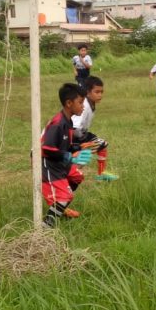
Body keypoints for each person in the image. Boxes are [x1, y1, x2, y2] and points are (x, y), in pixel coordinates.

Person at [40, 83, 92, 227]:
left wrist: (78, 147)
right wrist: (70, 157)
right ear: (69, 103)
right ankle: (46, 226)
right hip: (48, 163)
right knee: (66, 195)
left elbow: (64, 145)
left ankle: (60, 206)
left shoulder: (68, 120)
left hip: (59, 161)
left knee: (77, 176)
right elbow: (47, 149)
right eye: (80, 102)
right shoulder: (57, 123)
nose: (83, 106)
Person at [71, 76, 117, 181]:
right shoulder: (84, 106)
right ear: (87, 92)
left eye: (101, 92)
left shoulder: (90, 103)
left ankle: (101, 175)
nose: (100, 95)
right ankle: (70, 174)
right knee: (82, 158)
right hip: (74, 136)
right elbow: (73, 127)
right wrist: (78, 145)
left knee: (102, 145)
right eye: (97, 92)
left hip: (82, 134)